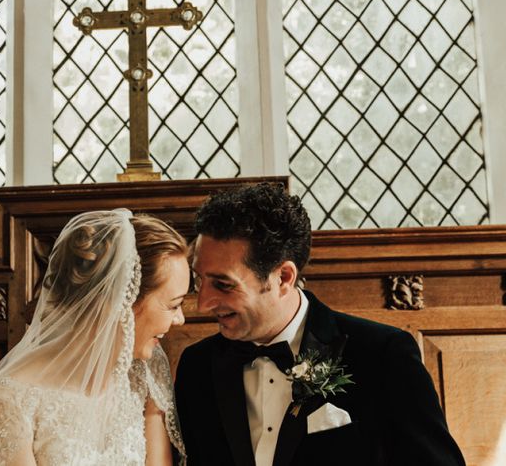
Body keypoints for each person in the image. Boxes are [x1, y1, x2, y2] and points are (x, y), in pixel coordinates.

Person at [175, 183, 465, 466]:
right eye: (199, 280)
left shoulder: (383, 356)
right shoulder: (197, 367)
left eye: (223, 285)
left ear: (283, 278)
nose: (202, 303)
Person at [0, 209, 189, 465]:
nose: (179, 319)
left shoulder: (142, 378)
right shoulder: (9, 401)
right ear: (118, 303)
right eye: (173, 305)